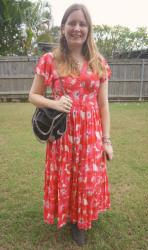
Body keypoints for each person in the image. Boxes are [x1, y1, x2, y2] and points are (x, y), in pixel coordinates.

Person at [29, 3, 113, 247]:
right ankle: (67, 214)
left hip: (90, 132)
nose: (77, 28)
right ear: (63, 27)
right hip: (63, 131)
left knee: (86, 177)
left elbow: (104, 105)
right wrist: (55, 104)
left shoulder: (99, 62)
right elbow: (33, 95)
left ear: (89, 29)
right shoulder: (49, 60)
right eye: (72, 23)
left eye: (82, 23)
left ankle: (80, 221)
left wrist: (106, 140)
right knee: (67, 174)